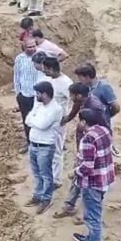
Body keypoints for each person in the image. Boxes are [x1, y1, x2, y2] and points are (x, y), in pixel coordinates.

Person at [54, 82, 108, 219]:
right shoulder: (82, 100)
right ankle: (70, 205)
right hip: (84, 146)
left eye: (72, 96)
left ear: (79, 95)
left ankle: (89, 214)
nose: (71, 98)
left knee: (90, 180)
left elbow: (103, 127)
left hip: (92, 148)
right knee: (81, 176)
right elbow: (74, 110)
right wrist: (65, 120)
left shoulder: (95, 107)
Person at [72, 109, 115, 241]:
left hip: (92, 182)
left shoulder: (88, 138)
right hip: (104, 179)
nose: (78, 124)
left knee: (92, 217)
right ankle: (90, 239)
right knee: (94, 212)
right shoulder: (104, 130)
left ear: (84, 122)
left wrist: (75, 171)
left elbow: (87, 167)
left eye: (79, 121)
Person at [25, 81, 64, 214]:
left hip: (45, 147)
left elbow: (42, 125)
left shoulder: (56, 109)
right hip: (34, 144)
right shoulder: (39, 106)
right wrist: (35, 121)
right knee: (37, 173)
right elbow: (27, 120)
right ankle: (38, 196)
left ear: (45, 94)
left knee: (46, 175)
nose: (36, 95)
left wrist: (34, 121)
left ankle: (46, 199)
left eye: (38, 93)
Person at [74, 63, 120, 155]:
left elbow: (116, 107)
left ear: (87, 77)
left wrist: (105, 116)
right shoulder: (84, 88)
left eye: (80, 77)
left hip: (100, 127)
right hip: (86, 127)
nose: (79, 80)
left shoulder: (104, 87)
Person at [42, 57, 74, 187]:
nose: (44, 72)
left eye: (45, 69)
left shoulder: (66, 83)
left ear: (51, 69)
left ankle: (56, 180)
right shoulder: (50, 80)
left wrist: (68, 117)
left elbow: (76, 101)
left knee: (56, 151)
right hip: (48, 120)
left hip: (57, 123)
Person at [14, 39, 40, 152]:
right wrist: (18, 93)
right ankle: (30, 143)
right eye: (29, 47)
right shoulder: (19, 59)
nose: (32, 48)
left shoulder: (41, 56)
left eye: (33, 46)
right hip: (24, 94)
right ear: (24, 47)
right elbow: (16, 76)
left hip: (38, 95)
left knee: (39, 119)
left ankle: (40, 143)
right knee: (27, 120)